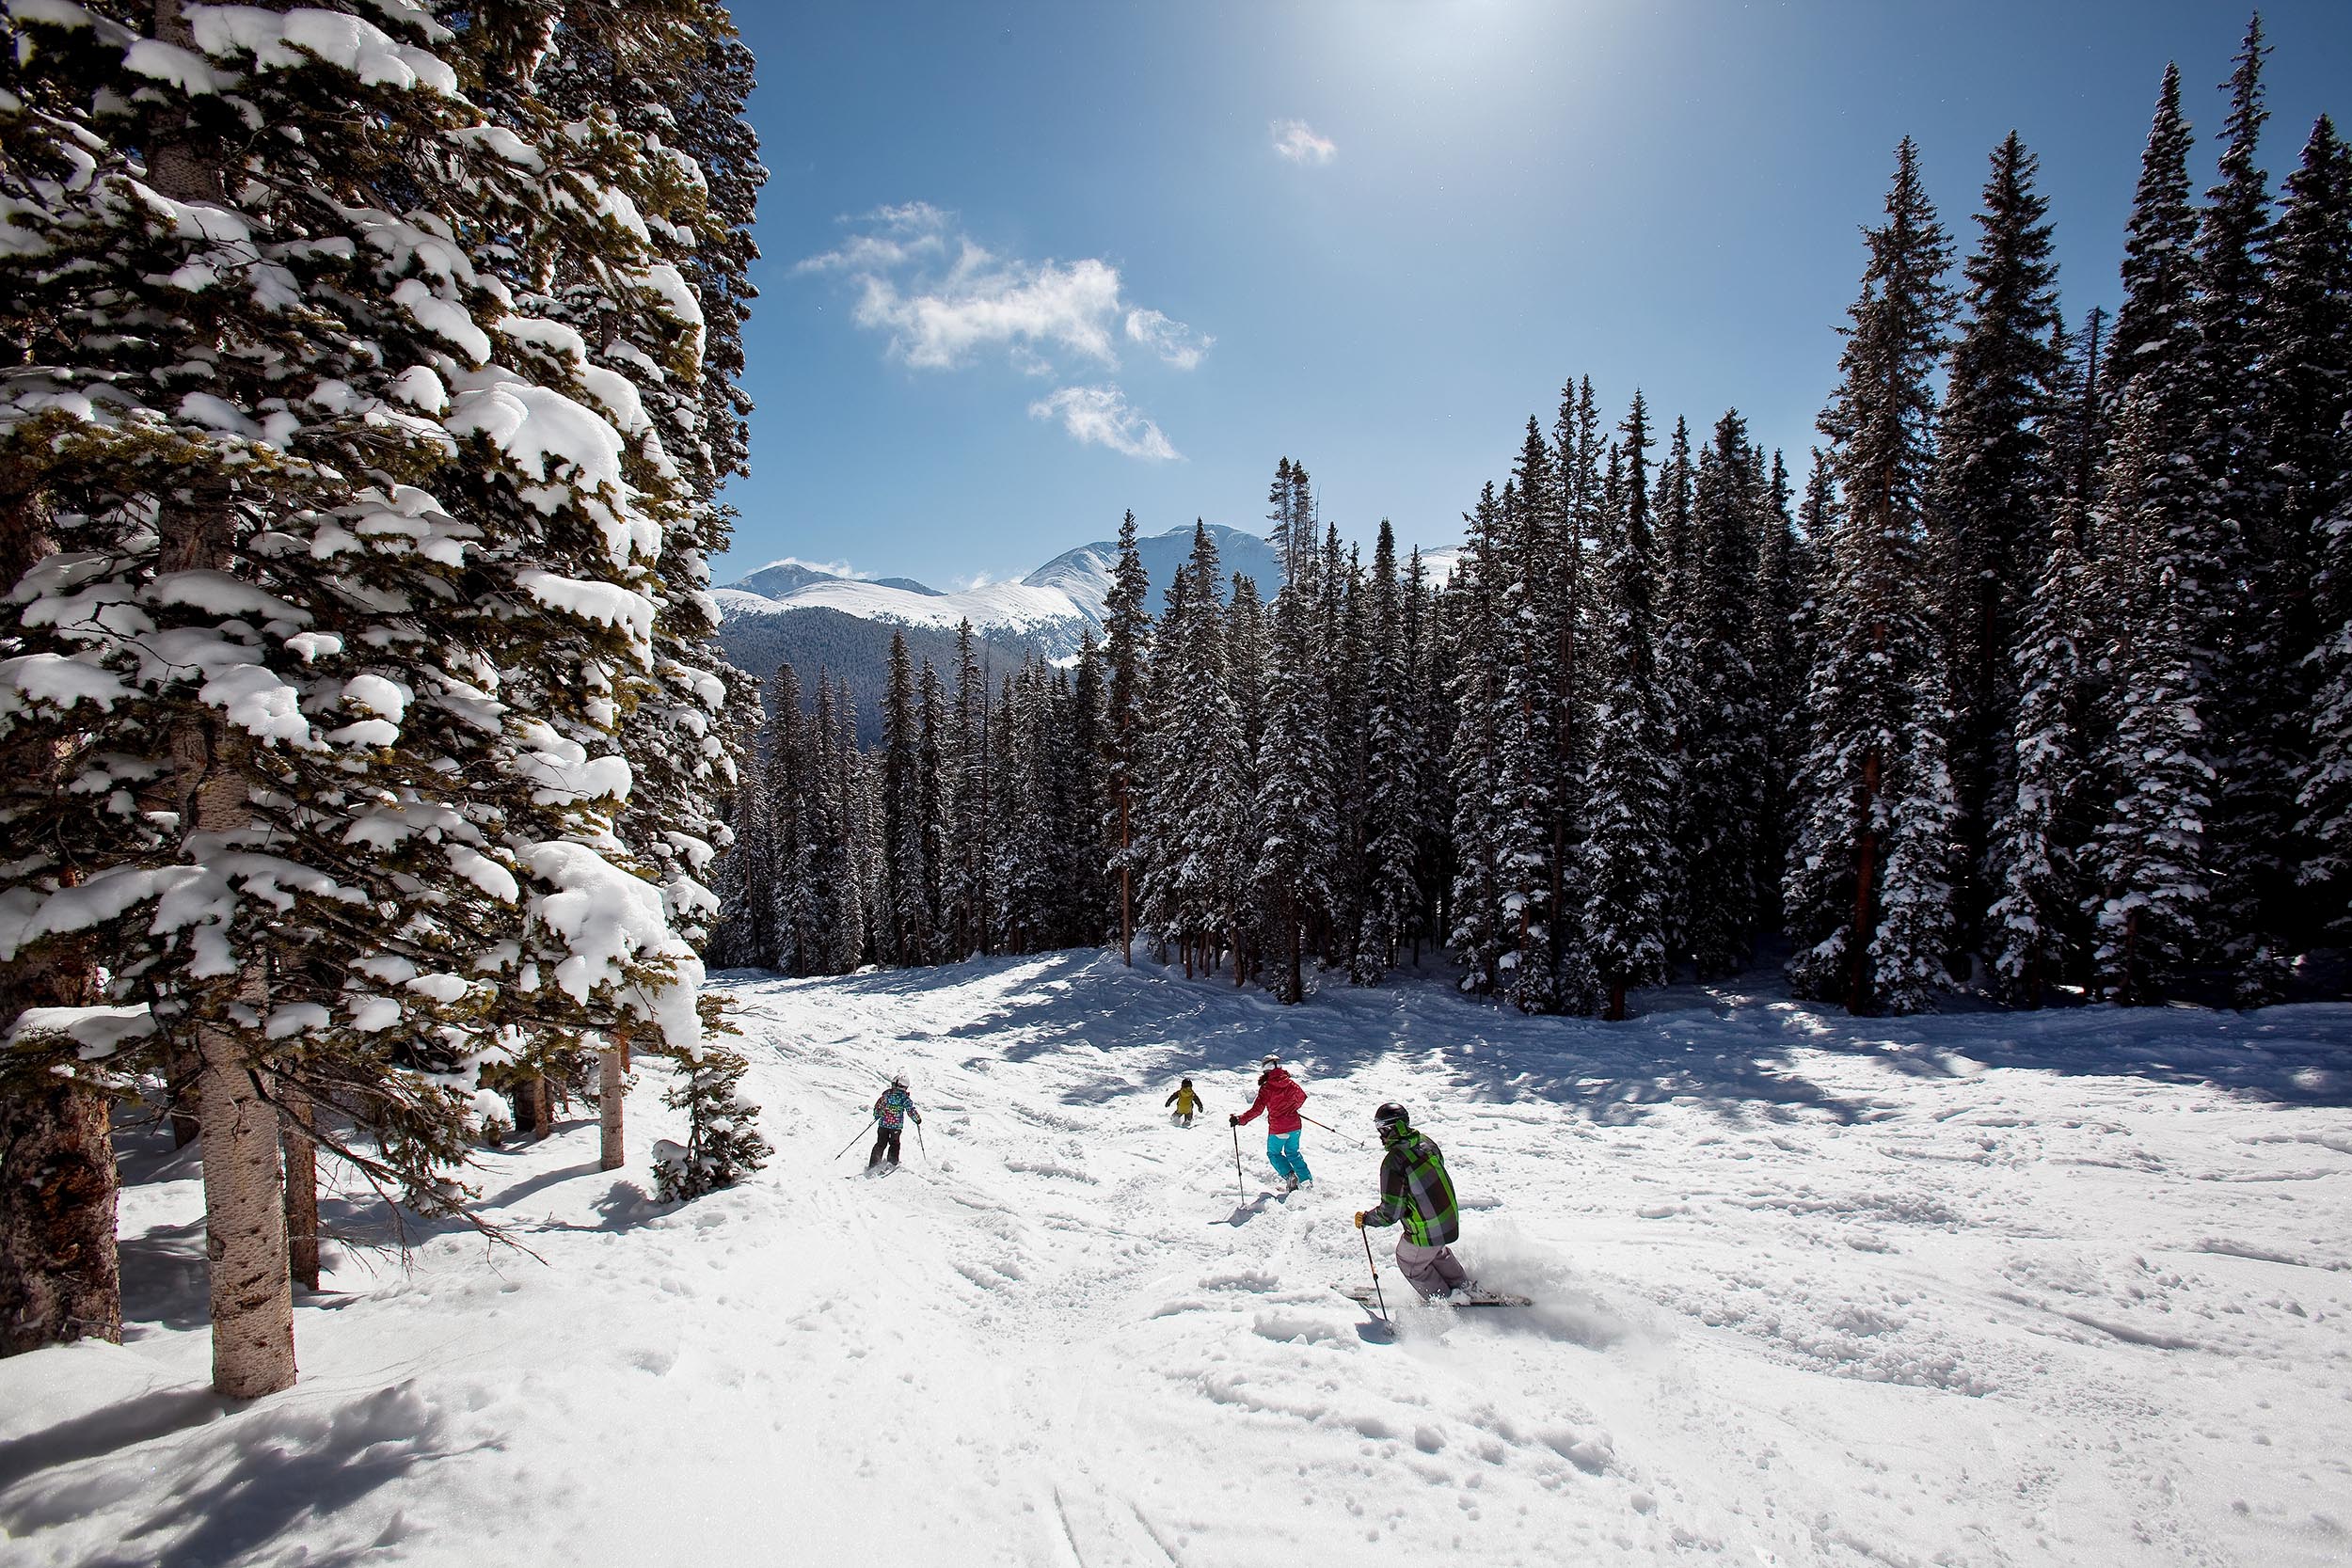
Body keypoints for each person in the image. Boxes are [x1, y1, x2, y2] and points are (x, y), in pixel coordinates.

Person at [1354, 1102, 1474, 1301]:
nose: (1380, 1134)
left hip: (1426, 1229)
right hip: (1448, 1220)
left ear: (1393, 1128)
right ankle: (1463, 1287)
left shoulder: (1394, 1162)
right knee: (1436, 1253)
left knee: (1409, 1262)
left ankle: (1443, 1301)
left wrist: (1367, 1218)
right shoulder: (1426, 1142)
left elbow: (1390, 1212)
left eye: (1382, 1128)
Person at [1232, 1053, 1311, 1190]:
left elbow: (1257, 1110)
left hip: (1278, 1128)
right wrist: (1291, 1108)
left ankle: (1289, 1176)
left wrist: (1240, 1120)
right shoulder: (1291, 1083)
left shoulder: (1267, 1088)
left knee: (1274, 1153)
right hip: (1295, 1126)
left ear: (1265, 1069)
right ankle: (1307, 1182)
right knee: (1293, 1153)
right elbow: (1302, 1097)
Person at [869, 1075, 921, 1167]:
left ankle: (874, 1163)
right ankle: (892, 1163)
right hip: (896, 1127)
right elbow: (911, 1110)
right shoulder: (905, 1098)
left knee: (880, 1143)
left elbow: (878, 1106)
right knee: (894, 1144)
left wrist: (877, 1114)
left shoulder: (886, 1095)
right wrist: (917, 1119)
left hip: (883, 1125)